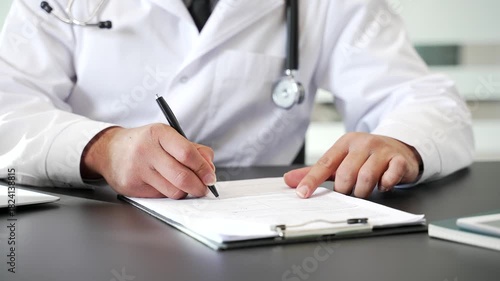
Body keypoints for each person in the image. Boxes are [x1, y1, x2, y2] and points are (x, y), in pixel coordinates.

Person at [0, 0, 474, 199]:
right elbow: (8, 106)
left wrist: (400, 142)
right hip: (88, 217)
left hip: (263, 235)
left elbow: (420, 96)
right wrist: (100, 147)